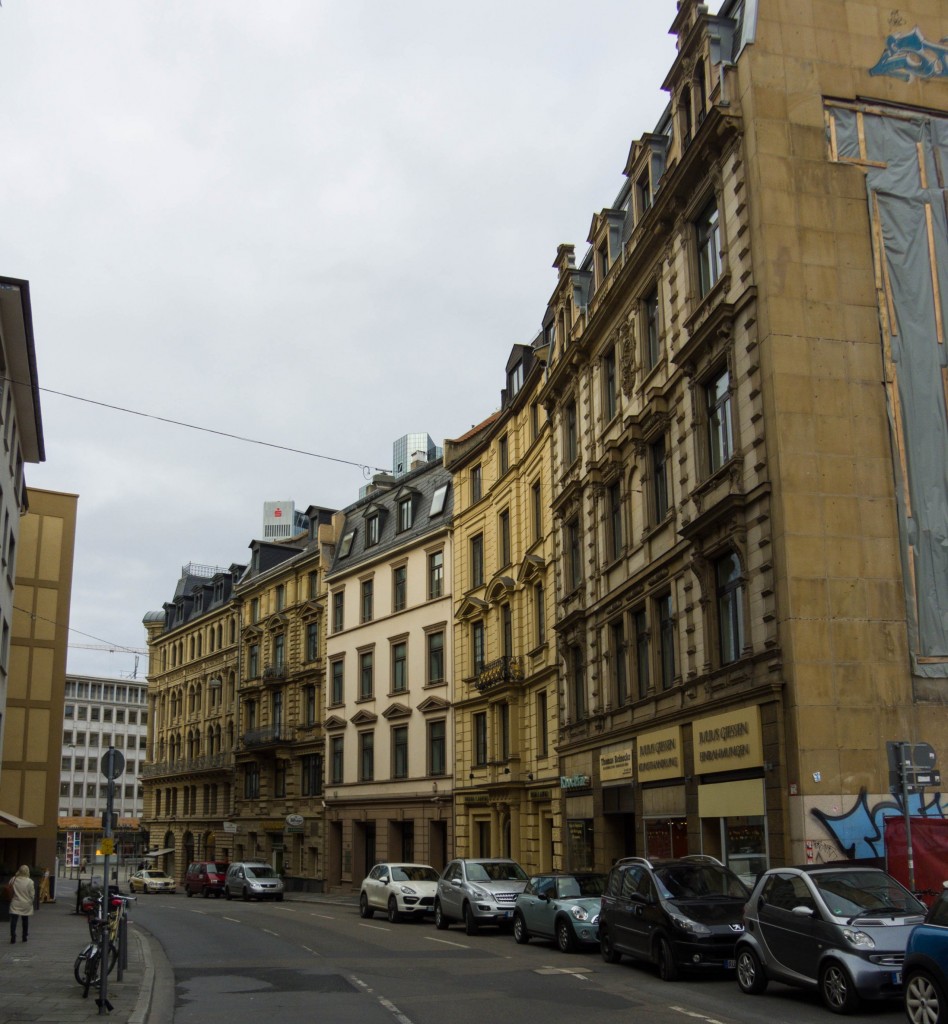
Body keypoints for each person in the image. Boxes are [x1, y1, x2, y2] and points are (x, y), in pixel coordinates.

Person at [9, 865, 35, 943]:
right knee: (25, 920)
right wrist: (31, 901)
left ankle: (13, 935)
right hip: (25, 903)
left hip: (15, 902)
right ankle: (24, 936)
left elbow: (9, 888)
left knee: (14, 920)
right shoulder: (30, 881)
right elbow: (32, 894)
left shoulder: (14, 879)